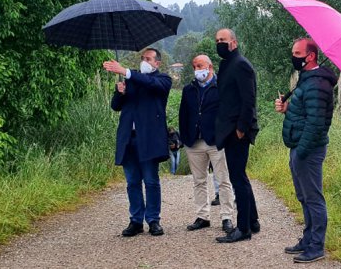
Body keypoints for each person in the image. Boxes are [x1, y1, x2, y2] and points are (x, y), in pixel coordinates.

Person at [274, 38, 337, 263]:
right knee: (304, 196)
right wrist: (286, 107)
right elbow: (303, 112)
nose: (294, 57)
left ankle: (316, 246)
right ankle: (308, 238)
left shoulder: (318, 84)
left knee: (313, 197)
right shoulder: (307, 79)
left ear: (310, 56)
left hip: (308, 150)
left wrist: (301, 151)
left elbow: (316, 122)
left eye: (297, 53)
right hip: (299, 147)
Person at [103, 48, 172, 237]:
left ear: (157, 62)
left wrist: (125, 71)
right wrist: (120, 92)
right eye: (142, 58)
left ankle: (153, 220)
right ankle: (136, 220)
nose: (144, 61)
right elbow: (116, 107)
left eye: (148, 58)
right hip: (129, 138)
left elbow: (151, 84)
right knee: (132, 182)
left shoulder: (163, 80)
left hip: (148, 139)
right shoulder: (131, 80)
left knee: (151, 181)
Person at [179, 54, 235, 234]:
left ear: (210, 67)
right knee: (199, 181)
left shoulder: (221, 87)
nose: (197, 69)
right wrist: (185, 137)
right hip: (194, 142)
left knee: (223, 180)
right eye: (194, 66)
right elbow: (183, 114)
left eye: (200, 65)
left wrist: (225, 136)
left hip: (216, 141)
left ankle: (227, 216)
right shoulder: (189, 89)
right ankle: (202, 216)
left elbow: (229, 113)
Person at [213, 28, 260, 243]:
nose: (219, 43)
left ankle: (243, 229)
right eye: (217, 40)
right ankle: (253, 221)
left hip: (237, 130)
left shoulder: (241, 64)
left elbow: (248, 100)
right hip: (228, 128)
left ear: (234, 41)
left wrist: (242, 128)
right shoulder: (227, 64)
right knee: (240, 176)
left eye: (223, 40)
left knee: (237, 178)